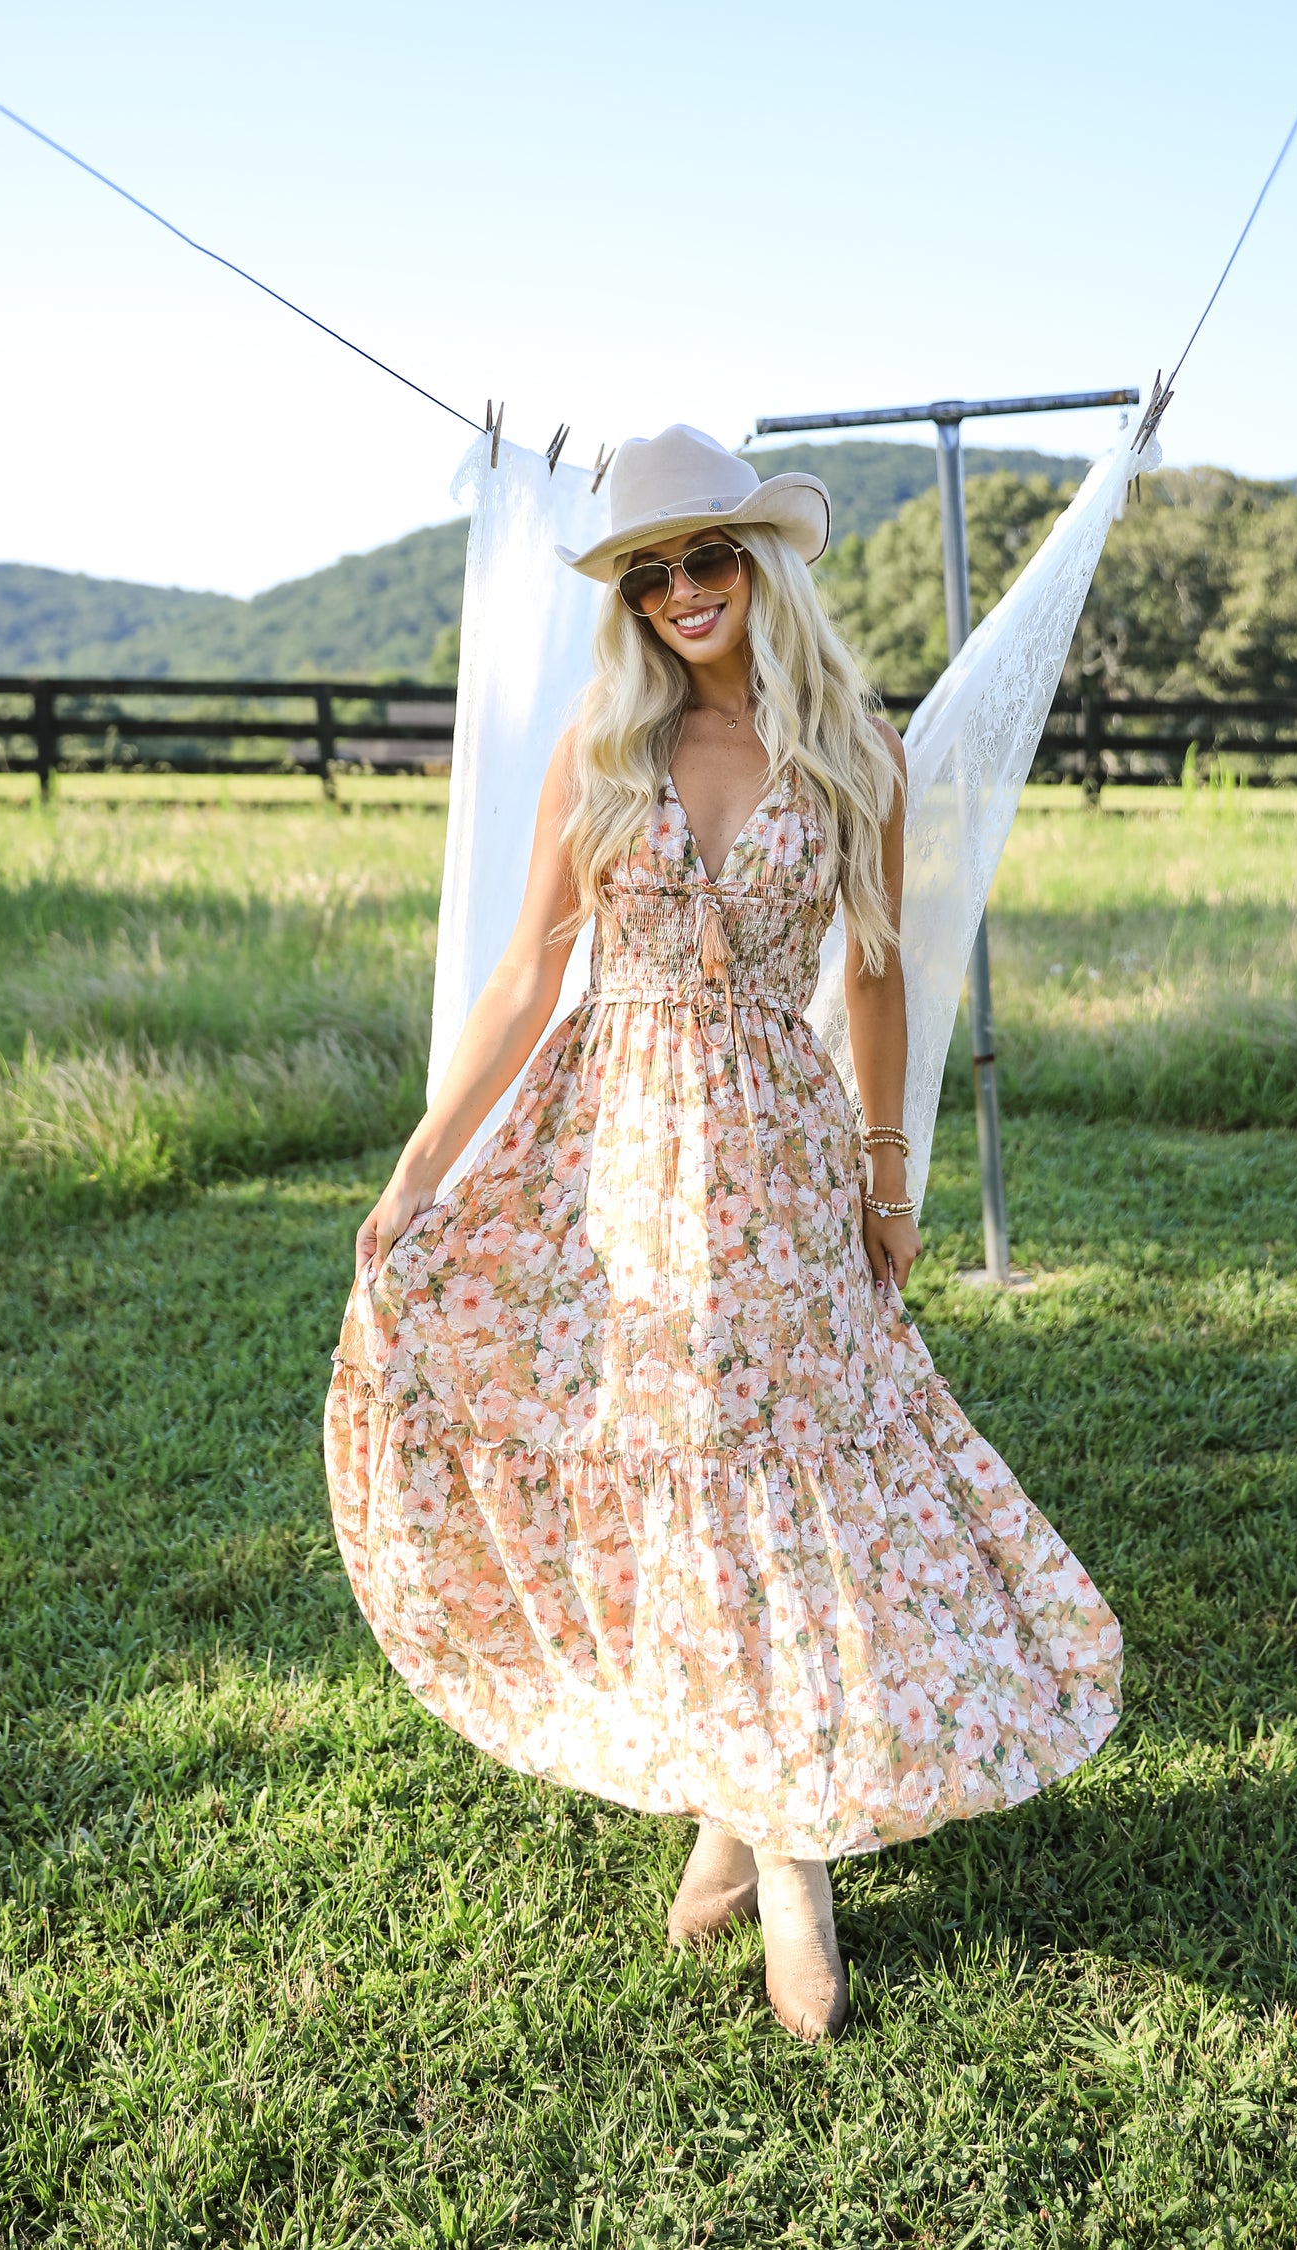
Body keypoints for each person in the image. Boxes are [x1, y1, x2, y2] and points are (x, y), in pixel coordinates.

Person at [325, 425, 1122, 2041]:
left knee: (772, 1481)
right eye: (651, 573)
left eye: (707, 558)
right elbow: (526, 977)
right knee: (677, 1474)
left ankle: (777, 1842)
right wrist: (418, 1168)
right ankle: (752, 1808)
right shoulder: (600, 746)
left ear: (758, 566)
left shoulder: (855, 753)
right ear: (629, 598)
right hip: (615, 1154)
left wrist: (888, 1175)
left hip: (777, 1159)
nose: (683, 591)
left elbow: (880, 976)